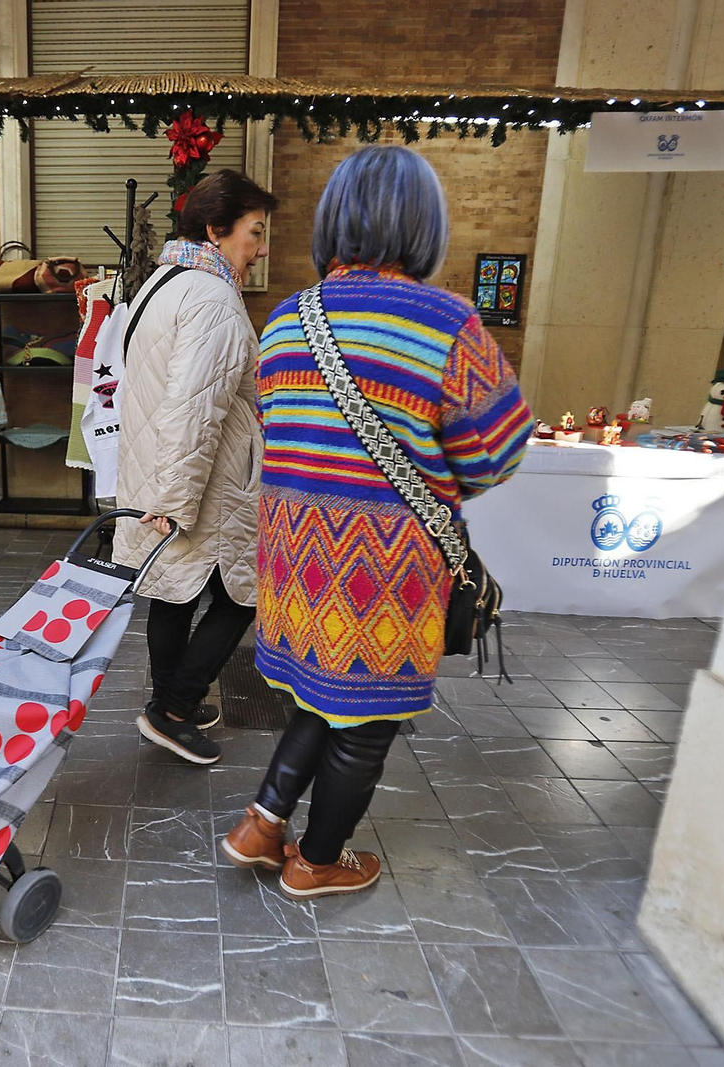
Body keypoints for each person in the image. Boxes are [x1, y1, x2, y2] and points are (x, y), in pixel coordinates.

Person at [221, 146, 533, 897]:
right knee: (365, 721)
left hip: (295, 560)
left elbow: (280, 429)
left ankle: (261, 825)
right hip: (383, 571)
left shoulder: (286, 320)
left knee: (317, 693)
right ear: (426, 227)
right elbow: (499, 452)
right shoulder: (447, 324)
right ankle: (318, 861)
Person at [114, 170, 278, 766]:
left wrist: (165, 496)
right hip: (203, 481)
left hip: (166, 472)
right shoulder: (212, 299)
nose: (261, 249)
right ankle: (175, 710)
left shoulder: (164, 281)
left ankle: (170, 704)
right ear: (215, 230)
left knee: (176, 590)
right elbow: (193, 409)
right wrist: (175, 502)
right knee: (241, 597)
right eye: (254, 232)